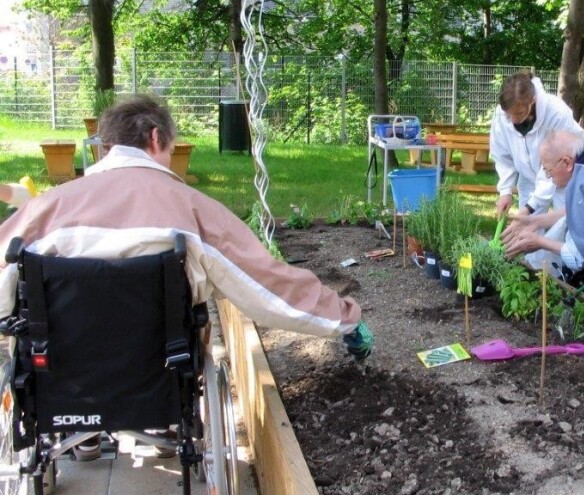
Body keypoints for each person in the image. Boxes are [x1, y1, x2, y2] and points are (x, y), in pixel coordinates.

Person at [0, 94, 374, 458]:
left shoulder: (46, 209)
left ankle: (79, 432)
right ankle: (163, 424)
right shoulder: (192, 209)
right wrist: (343, 316)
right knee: (188, 316)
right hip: (158, 365)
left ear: (107, 145)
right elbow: (266, 284)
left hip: (61, 375)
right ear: (156, 138)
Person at [501, 130, 584, 279]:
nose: (550, 178)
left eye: (549, 171)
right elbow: (578, 212)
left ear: (566, 162)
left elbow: (583, 257)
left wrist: (539, 242)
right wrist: (535, 221)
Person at [489, 71, 584, 219]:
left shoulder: (556, 113)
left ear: (533, 101)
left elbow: (556, 166)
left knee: (565, 226)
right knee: (526, 229)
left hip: (562, 179)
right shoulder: (502, 114)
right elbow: (502, 156)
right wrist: (505, 192)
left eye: (520, 113)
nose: (514, 120)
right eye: (510, 115)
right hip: (528, 179)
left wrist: (529, 208)